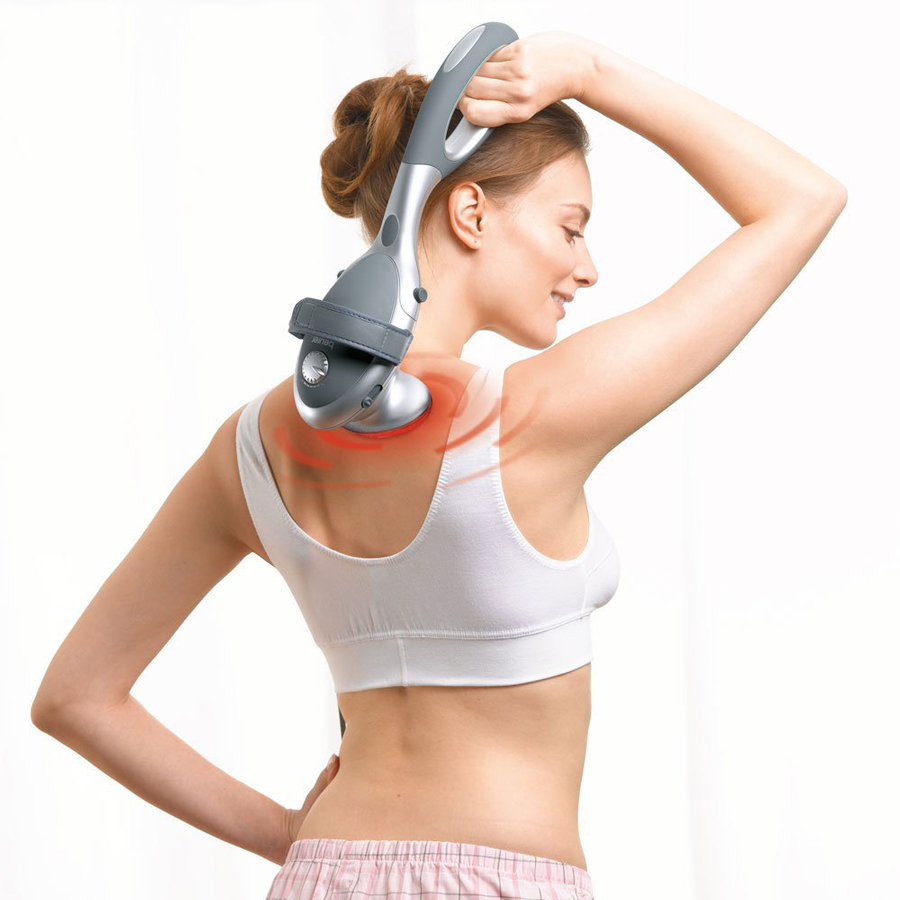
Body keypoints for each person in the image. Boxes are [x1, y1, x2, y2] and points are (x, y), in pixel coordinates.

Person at [30, 30, 846, 900]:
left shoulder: (251, 449)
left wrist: (289, 838)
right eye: (571, 227)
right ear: (471, 213)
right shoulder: (532, 416)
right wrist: (590, 71)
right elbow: (802, 200)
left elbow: (75, 696)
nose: (586, 268)